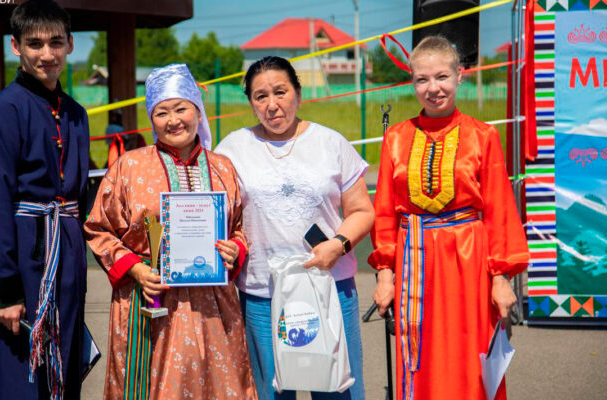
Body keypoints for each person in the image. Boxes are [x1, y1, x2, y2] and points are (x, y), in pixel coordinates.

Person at [369, 36, 529, 400]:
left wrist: (501, 278)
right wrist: (385, 275)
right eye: (422, 79)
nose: (433, 88)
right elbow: (384, 212)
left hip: (469, 263)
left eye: (442, 76)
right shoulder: (396, 138)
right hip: (413, 264)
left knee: (470, 358)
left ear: (460, 76)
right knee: (420, 358)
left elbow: (499, 210)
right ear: (412, 83)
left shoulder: (483, 135)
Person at [84, 63, 257, 400]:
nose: (173, 120)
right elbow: (98, 228)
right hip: (149, 298)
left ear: (198, 111)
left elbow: (237, 227)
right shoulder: (129, 166)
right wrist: (136, 269)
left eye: (181, 109)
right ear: (152, 119)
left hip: (213, 305)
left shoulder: (222, 167)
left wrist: (235, 249)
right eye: (162, 112)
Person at [215, 56, 375, 400]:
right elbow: (218, 214)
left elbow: (362, 211)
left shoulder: (331, 143)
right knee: (271, 392)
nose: (271, 104)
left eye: (280, 92)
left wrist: (338, 244)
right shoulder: (231, 149)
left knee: (337, 390)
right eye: (260, 96)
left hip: (329, 287)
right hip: (263, 294)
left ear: (298, 94)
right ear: (251, 103)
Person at [0, 1, 90, 399]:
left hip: (66, 261)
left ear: (70, 44)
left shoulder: (76, 114)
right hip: (22, 262)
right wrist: (3, 290)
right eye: (35, 44)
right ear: (16, 46)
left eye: (56, 43)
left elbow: (81, 197)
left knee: (61, 368)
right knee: (16, 376)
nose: (47, 54)